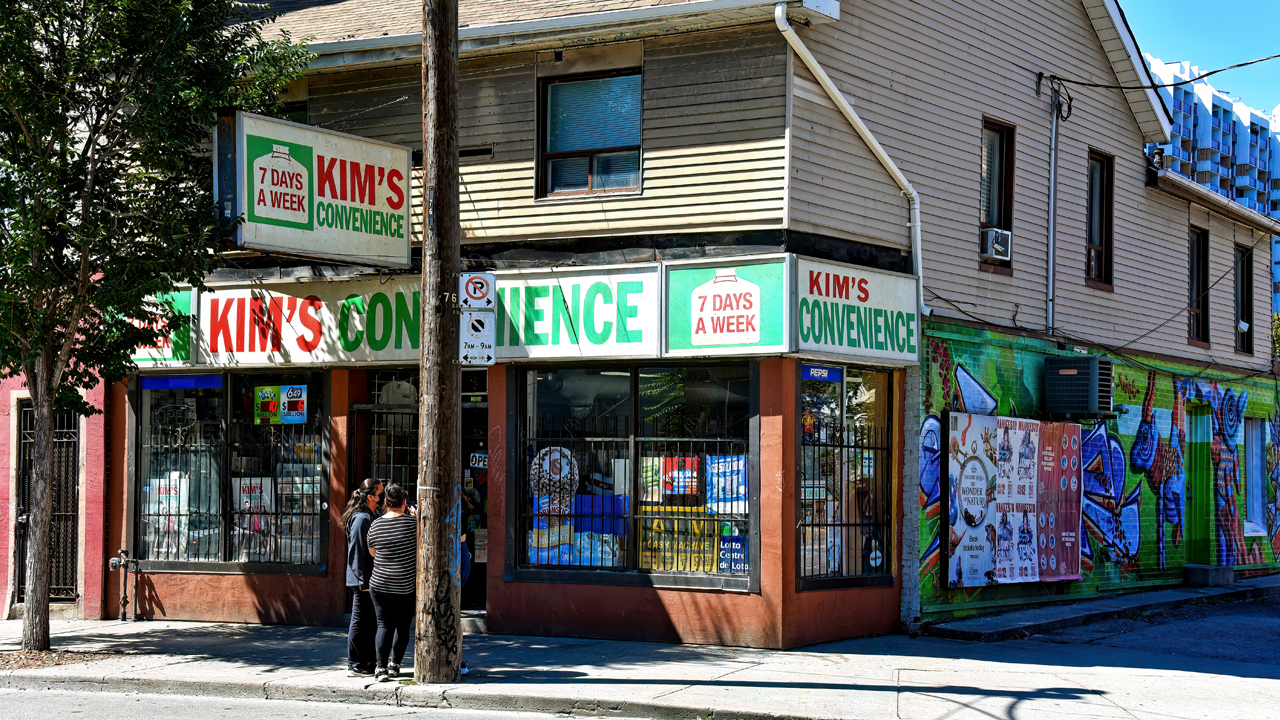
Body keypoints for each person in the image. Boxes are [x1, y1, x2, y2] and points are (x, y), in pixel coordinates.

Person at [367, 483, 417, 681]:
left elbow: (372, 553)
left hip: (379, 584)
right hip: (405, 585)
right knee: (403, 627)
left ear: (386, 502)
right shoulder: (413, 525)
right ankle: (395, 664)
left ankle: (380, 668)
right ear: (404, 503)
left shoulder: (376, 524)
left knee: (384, 625)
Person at [342, 478, 383, 676]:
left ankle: (367, 661)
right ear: (370, 496)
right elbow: (356, 552)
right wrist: (363, 581)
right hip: (361, 579)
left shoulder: (370, 514)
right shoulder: (361, 518)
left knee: (369, 621)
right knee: (359, 620)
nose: (382, 497)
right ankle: (355, 663)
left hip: (367, 578)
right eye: (380, 494)